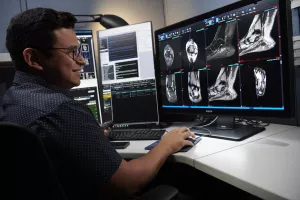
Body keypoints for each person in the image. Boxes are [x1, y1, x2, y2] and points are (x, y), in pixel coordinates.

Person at [2, 8, 195, 200]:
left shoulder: (13, 99)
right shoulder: (61, 110)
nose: (83, 60)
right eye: (72, 52)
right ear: (33, 58)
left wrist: (88, 136)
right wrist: (166, 145)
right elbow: (128, 183)